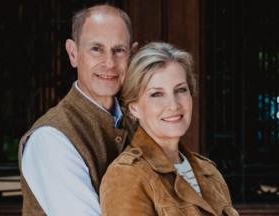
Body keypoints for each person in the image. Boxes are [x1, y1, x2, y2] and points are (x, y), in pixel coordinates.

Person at [18, 4, 138, 215]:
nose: (109, 63)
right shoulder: (50, 138)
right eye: (96, 49)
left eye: (119, 50)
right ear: (73, 54)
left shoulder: (140, 121)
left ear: (132, 55)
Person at [100, 42, 239, 216]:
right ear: (134, 108)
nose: (173, 105)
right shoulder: (126, 175)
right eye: (157, 94)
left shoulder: (209, 172)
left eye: (180, 90)